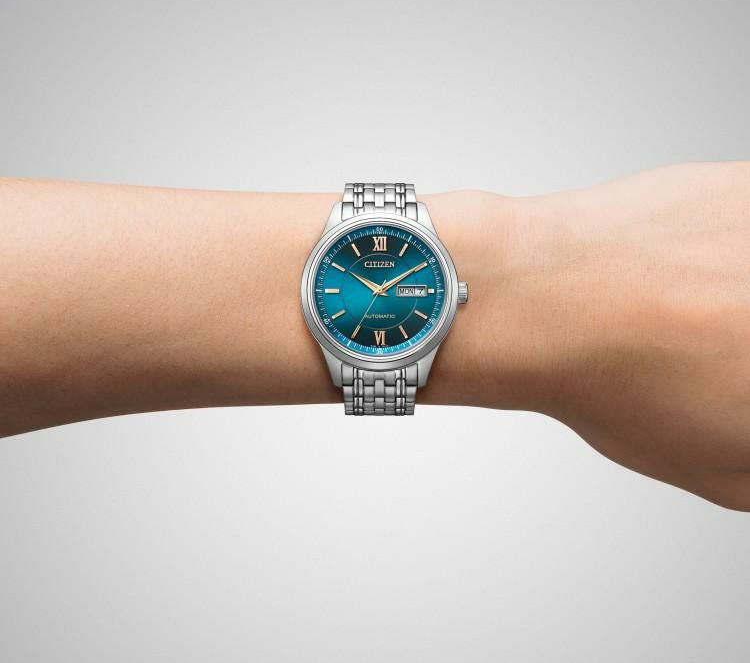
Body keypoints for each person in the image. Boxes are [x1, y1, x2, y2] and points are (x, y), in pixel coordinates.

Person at [1, 162, 749, 511]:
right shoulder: (349, 291)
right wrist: (538, 289)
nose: (386, 289)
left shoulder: (409, 292)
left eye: (408, 285)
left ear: (454, 292)